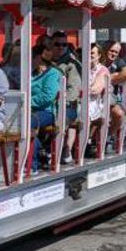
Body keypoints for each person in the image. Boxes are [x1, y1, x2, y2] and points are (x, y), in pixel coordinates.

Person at [50, 32, 82, 162]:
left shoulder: (72, 64)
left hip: (67, 106)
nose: (61, 47)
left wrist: (60, 104)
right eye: (57, 44)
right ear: (50, 45)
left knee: (60, 118)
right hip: (46, 105)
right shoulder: (44, 61)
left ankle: (61, 149)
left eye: (64, 44)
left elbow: (73, 90)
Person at [30, 45, 61, 172]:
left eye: (32, 57)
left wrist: (27, 101)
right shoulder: (31, 73)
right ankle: (36, 157)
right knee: (23, 125)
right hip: (29, 110)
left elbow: (47, 96)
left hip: (47, 112)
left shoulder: (53, 73)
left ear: (40, 58)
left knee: (28, 122)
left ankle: (32, 165)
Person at [85, 42, 111, 159]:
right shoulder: (82, 67)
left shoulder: (102, 70)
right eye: (88, 53)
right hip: (83, 99)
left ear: (99, 55)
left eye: (92, 53)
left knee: (86, 112)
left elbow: (96, 90)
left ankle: (85, 143)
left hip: (97, 102)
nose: (89, 55)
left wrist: (82, 89)